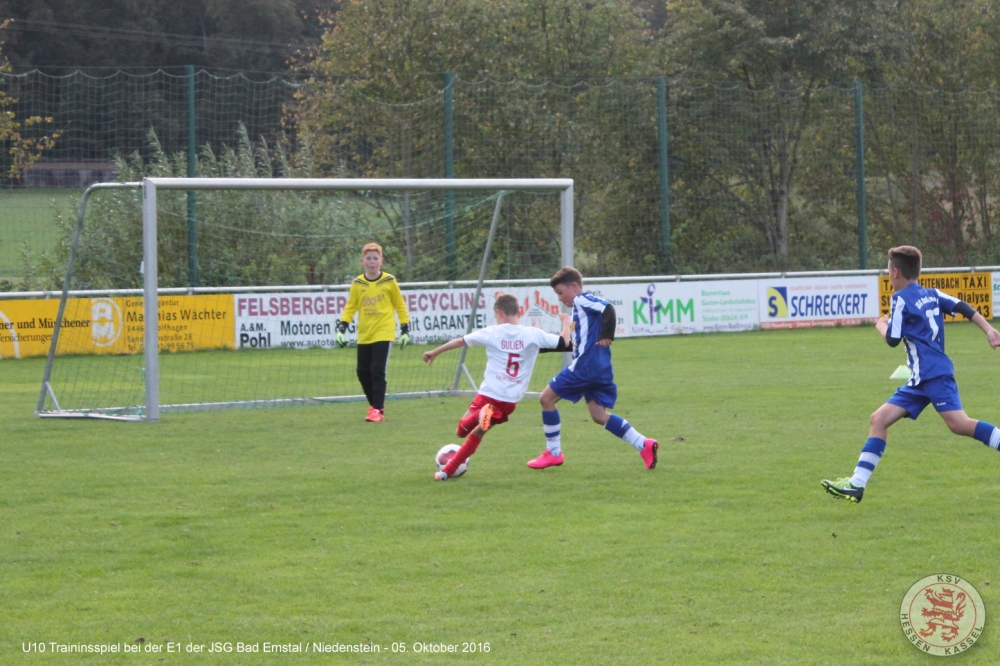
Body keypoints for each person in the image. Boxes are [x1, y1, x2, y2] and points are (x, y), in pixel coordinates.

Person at [822, 245, 1000, 503]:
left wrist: (880, 325)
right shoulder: (931, 293)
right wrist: (989, 330)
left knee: (960, 424)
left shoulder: (900, 299)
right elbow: (962, 306)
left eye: (888, 270)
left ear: (895, 272)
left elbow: (893, 339)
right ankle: (856, 484)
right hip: (920, 379)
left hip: (933, 375)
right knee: (879, 419)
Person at [423, 293, 572, 480]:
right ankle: (446, 472)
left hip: (489, 394)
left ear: (499, 312)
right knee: (478, 432)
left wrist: (435, 352)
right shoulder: (533, 334)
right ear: (518, 312)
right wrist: (566, 322)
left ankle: (479, 415)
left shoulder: (493, 332)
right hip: (510, 401)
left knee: (461, 430)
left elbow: (461, 341)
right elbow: (565, 342)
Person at [527, 267, 658, 470]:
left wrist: (608, 334)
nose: (560, 298)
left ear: (574, 286)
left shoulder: (581, 300)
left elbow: (608, 308)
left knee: (546, 398)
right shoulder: (581, 314)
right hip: (600, 368)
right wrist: (541, 349)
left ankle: (553, 453)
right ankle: (644, 444)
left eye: (561, 292)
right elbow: (575, 343)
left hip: (585, 368)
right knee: (598, 415)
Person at [336, 242, 411, 422]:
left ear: (381, 261)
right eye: (368, 258)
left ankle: (376, 409)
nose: (372, 262)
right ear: (363, 261)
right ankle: (376, 406)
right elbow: (350, 307)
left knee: (377, 370)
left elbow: (400, 305)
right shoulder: (357, 283)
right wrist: (342, 328)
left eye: (375, 258)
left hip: (384, 332)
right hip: (364, 334)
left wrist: (405, 328)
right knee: (362, 372)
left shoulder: (389, 281)